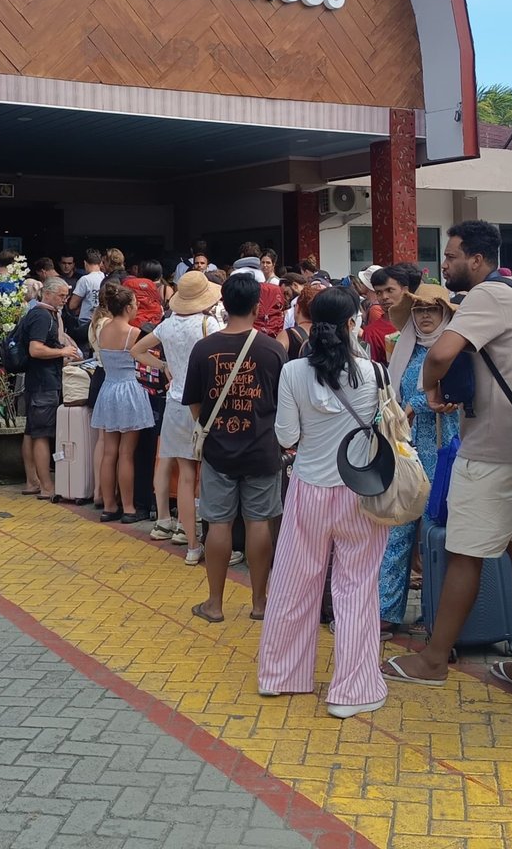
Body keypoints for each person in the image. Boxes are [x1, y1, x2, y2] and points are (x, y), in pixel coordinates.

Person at [383, 220, 512, 697]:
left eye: (452, 256)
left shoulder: (486, 295)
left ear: (477, 259)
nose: (445, 263)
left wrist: (430, 387)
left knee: (464, 556)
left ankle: (434, 659)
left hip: (490, 452)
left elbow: (442, 352)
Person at [258, 287, 390, 719]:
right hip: (360, 492)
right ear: (353, 322)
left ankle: (280, 675)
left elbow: (286, 436)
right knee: (356, 590)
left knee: (293, 584)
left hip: (308, 489)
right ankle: (352, 691)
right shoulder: (374, 372)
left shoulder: (293, 371)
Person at [182, 274, 287, 624]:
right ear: (257, 306)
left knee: (218, 524)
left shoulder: (204, 349)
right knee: (259, 523)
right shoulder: (273, 350)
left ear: (223, 305)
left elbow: (194, 403)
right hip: (262, 449)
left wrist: (211, 427)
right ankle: (260, 602)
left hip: (218, 451)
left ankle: (214, 603)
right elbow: (282, 404)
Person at [380, 284, 459, 634]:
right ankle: (385, 611)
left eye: (432, 309)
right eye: (419, 310)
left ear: (445, 313)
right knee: (396, 535)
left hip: (444, 455)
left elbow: (455, 394)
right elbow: (391, 396)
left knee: (434, 539)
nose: (425, 316)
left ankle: (436, 616)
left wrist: (416, 404)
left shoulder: (458, 349)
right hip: (406, 456)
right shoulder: (404, 349)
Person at [137, 271, 221, 563]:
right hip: (205, 403)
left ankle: (192, 546)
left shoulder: (167, 325)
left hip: (175, 403)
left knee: (185, 476)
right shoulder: (209, 324)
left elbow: (137, 350)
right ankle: (213, 538)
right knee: (209, 474)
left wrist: (163, 365)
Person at [91, 286, 155, 523]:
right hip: (129, 390)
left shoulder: (102, 329)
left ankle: (109, 505)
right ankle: (128, 507)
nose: (137, 307)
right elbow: (145, 357)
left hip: (108, 389)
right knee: (127, 453)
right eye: (135, 304)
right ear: (128, 308)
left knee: (109, 452)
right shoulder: (133, 333)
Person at [20, 278, 79, 501]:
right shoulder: (42, 316)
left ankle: (32, 481)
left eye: (66, 295)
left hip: (38, 381)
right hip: (43, 382)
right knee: (42, 434)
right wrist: (62, 352)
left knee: (32, 431)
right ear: (47, 294)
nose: (65, 300)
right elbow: (35, 349)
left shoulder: (42, 314)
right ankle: (46, 486)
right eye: (61, 296)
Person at [69, 248, 107, 330]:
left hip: (86, 320)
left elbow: (72, 305)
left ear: (85, 263)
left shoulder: (85, 279)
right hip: (103, 320)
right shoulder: (106, 278)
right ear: (100, 263)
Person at [128, 259, 167, 329]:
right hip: (151, 328)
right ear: (159, 275)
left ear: (139, 273)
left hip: (132, 326)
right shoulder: (164, 288)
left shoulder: (129, 284)